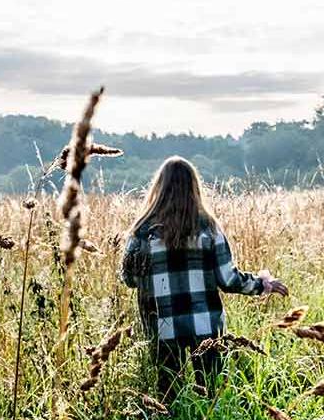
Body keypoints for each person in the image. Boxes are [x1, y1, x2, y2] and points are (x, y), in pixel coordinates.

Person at [119, 156, 288, 400]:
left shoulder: (142, 232)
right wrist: (262, 284)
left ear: (159, 187)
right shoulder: (208, 227)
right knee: (211, 397)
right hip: (205, 326)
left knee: (168, 400)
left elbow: (129, 279)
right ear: (194, 188)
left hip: (162, 327)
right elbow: (228, 279)